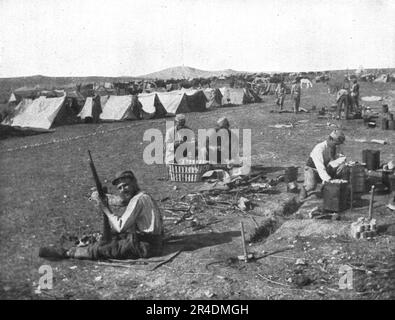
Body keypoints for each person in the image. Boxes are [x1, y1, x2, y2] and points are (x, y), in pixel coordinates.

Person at [39, 170, 164, 260]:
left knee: (106, 248)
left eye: (125, 185)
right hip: (151, 240)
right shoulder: (142, 195)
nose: (123, 189)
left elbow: (120, 226)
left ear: (134, 183)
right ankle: (84, 243)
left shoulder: (138, 200)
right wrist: (104, 198)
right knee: (113, 236)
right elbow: (122, 201)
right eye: (120, 188)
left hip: (147, 246)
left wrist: (106, 209)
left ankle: (67, 253)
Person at [299, 130, 347, 200]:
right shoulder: (319, 148)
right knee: (311, 186)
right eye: (336, 144)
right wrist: (329, 180)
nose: (337, 146)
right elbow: (320, 167)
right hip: (312, 169)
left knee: (342, 169)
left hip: (324, 167)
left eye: (339, 144)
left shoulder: (335, 147)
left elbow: (342, 157)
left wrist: (343, 164)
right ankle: (304, 190)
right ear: (330, 139)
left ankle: (325, 190)